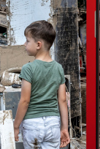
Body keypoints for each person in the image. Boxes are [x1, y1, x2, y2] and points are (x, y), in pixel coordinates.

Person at [12, 20, 70, 148]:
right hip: (53, 124)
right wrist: (64, 128)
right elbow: (62, 100)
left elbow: (25, 101)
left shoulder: (28, 68)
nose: (24, 44)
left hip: (33, 124)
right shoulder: (58, 68)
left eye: (27, 41)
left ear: (38, 44)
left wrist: (16, 126)